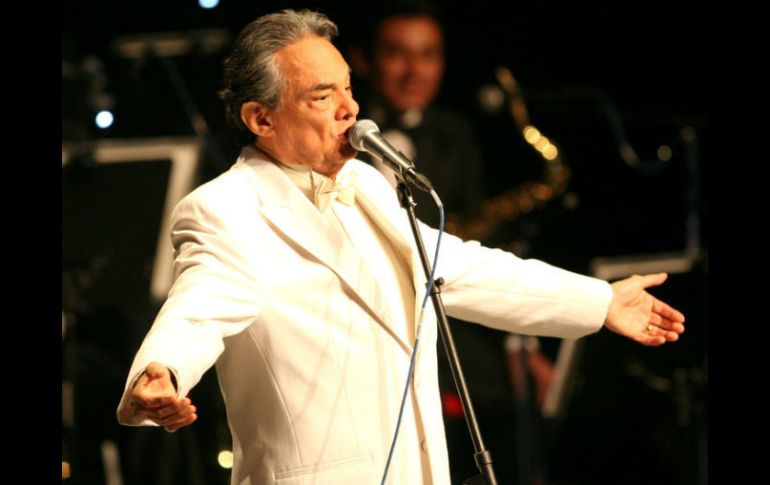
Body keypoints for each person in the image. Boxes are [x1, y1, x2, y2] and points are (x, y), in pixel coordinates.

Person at [116, 9, 685, 485]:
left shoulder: (366, 183)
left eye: (348, 88)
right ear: (260, 118)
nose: (350, 109)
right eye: (322, 96)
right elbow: (201, 303)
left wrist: (600, 301)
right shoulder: (225, 208)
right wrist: (162, 369)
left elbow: (458, 267)